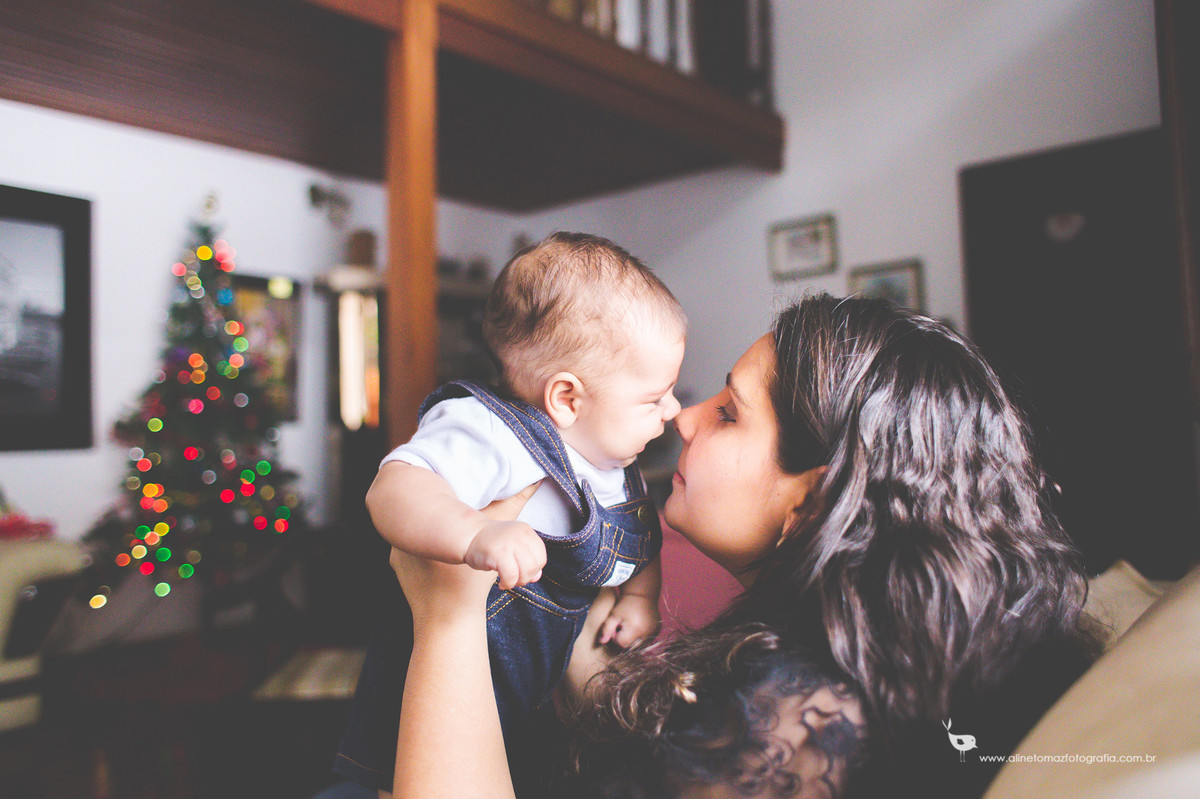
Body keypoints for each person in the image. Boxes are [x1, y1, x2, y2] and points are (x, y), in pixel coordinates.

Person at [382, 293, 1102, 798]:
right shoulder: (881, 658)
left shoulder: (795, 727)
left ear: (812, 501)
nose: (684, 419)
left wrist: (446, 617)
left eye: (728, 412)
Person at [332, 232, 687, 793]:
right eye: (654, 398)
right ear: (567, 398)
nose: (673, 411)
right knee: (402, 775)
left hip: (535, 691)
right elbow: (393, 488)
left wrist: (640, 599)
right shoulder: (492, 432)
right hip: (433, 682)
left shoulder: (613, 463)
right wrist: (471, 530)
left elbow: (640, 540)